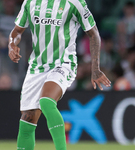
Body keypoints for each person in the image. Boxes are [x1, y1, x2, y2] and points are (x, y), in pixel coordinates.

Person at [8, 0, 111, 150]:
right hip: (37, 67)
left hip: (63, 63)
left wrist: (95, 68)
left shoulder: (74, 3)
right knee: (27, 119)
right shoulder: (30, 2)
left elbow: (94, 34)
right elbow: (17, 32)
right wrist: (12, 44)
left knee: (46, 102)